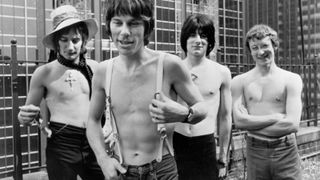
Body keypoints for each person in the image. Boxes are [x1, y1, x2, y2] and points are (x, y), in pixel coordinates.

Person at [86, 0, 207, 179]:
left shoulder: (168, 65)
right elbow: (92, 120)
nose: (125, 32)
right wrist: (103, 159)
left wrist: (185, 114)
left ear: (147, 27)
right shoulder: (103, 71)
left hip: (161, 169)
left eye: (134, 23)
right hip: (121, 170)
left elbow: (202, 108)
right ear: (109, 26)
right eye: (118, 22)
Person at [17, 5, 104, 180]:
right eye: (64, 40)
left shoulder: (96, 68)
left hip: (94, 142)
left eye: (75, 39)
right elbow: (28, 114)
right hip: (62, 143)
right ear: (57, 42)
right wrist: (27, 117)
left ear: (84, 40)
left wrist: (108, 127)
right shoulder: (44, 73)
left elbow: (107, 104)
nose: (70, 46)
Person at [231, 24, 303, 180]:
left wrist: (251, 124)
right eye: (255, 47)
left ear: (275, 46)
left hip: (286, 150)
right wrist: (275, 118)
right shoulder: (239, 82)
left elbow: (292, 124)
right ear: (250, 51)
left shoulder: (291, 79)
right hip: (255, 151)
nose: (260, 52)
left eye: (265, 45)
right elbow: (239, 122)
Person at [173, 14, 232, 180]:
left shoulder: (221, 72)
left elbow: (226, 116)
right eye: (192, 35)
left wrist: (223, 154)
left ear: (210, 41)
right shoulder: (172, 70)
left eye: (203, 36)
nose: (198, 40)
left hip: (205, 143)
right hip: (176, 142)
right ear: (185, 39)